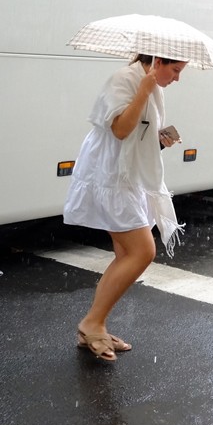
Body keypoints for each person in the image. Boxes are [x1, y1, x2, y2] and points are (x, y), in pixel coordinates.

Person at [63, 54, 186, 362]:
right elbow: (119, 129)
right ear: (158, 61)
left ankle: (95, 325)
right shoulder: (126, 79)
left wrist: (158, 139)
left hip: (125, 175)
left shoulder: (148, 84)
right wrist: (143, 92)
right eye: (175, 70)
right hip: (112, 176)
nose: (177, 78)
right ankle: (92, 322)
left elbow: (133, 133)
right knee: (142, 251)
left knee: (126, 254)